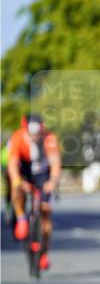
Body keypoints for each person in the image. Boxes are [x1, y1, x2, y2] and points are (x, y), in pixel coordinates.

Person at [7, 114, 61, 270]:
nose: (35, 136)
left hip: (43, 175)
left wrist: (53, 181)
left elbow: (55, 162)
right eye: (32, 132)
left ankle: (44, 252)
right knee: (16, 188)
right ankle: (21, 218)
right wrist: (18, 180)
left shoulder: (49, 138)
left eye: (38, 132)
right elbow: (12, 164)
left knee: (45, 212)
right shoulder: (17, 138)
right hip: (24, 172)